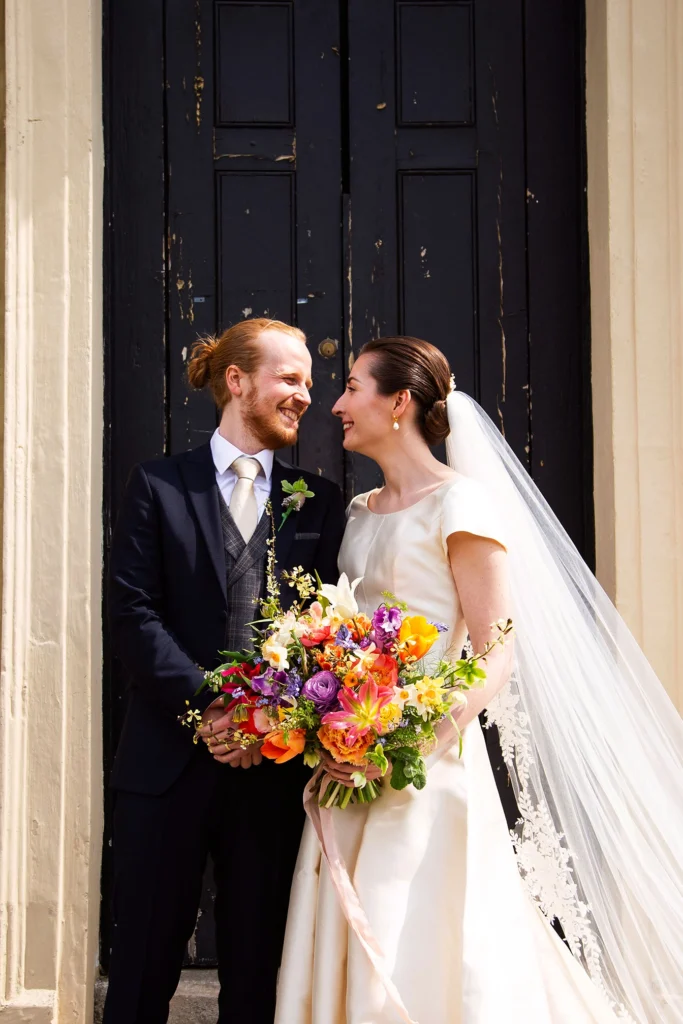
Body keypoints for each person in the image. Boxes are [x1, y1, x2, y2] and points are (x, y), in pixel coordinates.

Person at [274, 336, 683, 1024]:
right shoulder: (357, 510)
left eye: (351, 387)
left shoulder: (460, 506)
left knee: (424, 939)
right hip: (348, 765)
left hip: (423, 768)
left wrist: (410, 739)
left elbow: (497, 651)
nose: (336, 405)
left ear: (398, 401)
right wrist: (336, 724)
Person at [103, 318, 345, 1024]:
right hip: (165, 766)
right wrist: (214, 707)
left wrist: (266, 720)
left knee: (257, 975)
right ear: (236, 381)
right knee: (142, 967)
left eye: (309, 380)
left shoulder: (318, 500)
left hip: (270, 773)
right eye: (290, 378)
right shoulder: (157, 484)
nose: (305, 394)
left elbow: (326, 631)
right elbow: (133, 613)